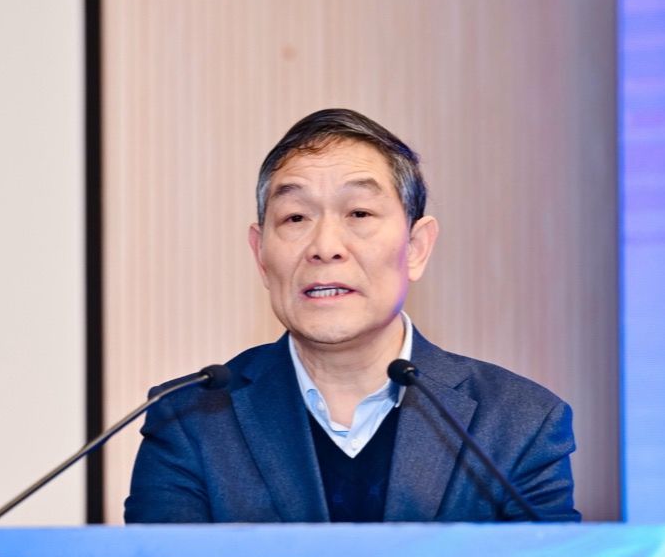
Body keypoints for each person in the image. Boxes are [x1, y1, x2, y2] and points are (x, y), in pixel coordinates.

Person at [124, 108, 580, 523]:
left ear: (416, 248)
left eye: (359, 213)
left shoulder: (518, 422)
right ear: (260, 255)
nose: (325, 247)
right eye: (296, 218)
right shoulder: (190, 420)